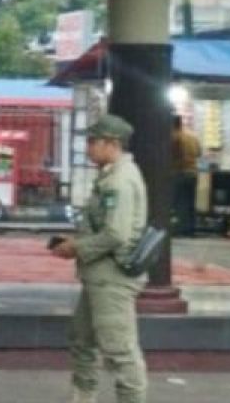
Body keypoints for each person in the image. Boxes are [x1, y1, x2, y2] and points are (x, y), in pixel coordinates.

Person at [50, 114, 148, 403]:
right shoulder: (111, 176)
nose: (89, 147)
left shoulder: (118, 181)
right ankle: (83, 396)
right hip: (99, 278)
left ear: (112, 144)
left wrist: (76, 247)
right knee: (82, 340)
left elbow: (115, 234)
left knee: (120, 351)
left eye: (93, 141)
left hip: (112, 279)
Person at [172, 114, 201, 236]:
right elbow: (199, 153)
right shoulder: (193, 136)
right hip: (193, 173)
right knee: (190, 203)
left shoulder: (174, 137)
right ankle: (190, 229)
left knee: (178, 203)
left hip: (179, 173)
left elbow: (171, 155)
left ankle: (180, 230)